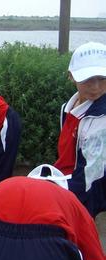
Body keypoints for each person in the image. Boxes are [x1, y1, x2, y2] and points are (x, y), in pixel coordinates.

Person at [54, 41, 106, 218]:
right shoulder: (67, 108)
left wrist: (63, 196)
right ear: (71, 76)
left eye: (102, 78)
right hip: (66, 180)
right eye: (88, 79)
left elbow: (92, 172)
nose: (96, 87)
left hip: (84, 193)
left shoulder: (102, 117)